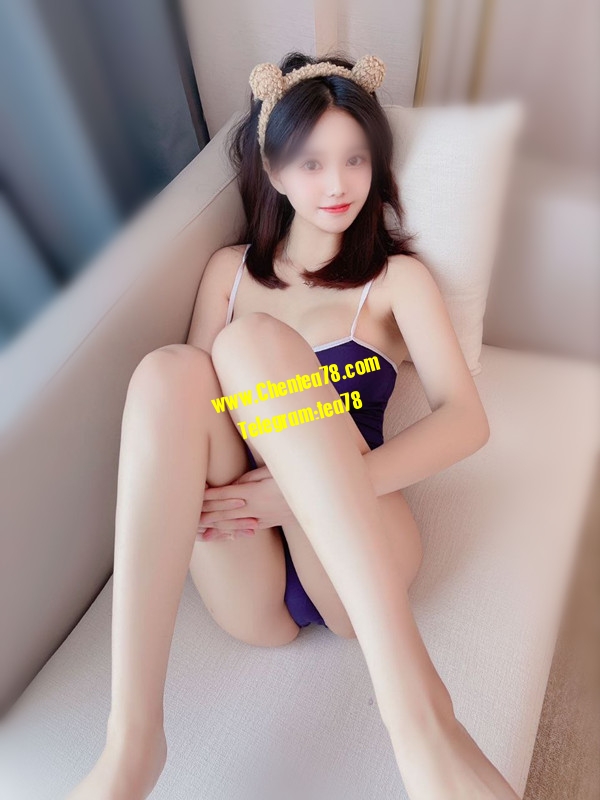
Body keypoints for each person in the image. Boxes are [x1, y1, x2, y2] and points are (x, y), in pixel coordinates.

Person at [66, 52, 520, 800]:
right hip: (249, 573)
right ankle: (132, 742)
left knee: (252, 344)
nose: (337, 184)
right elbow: (200, 417)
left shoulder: (395, 280)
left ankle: (419, 715)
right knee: (169, 372)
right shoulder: (227, 273)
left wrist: (299, 494)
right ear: (274, 172)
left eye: (355, 159)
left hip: (357, 552)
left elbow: (467, 422)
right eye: (311, 163)